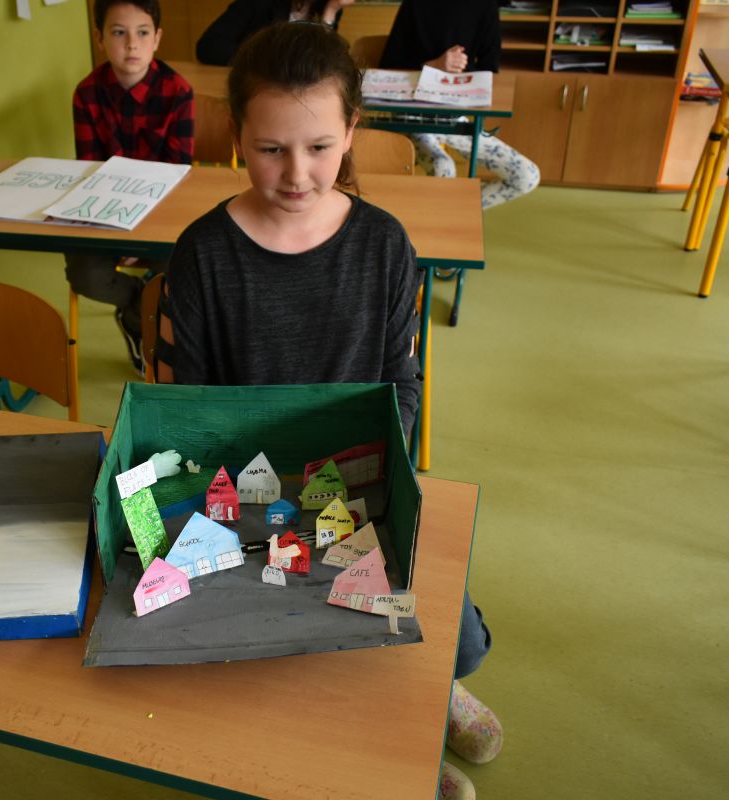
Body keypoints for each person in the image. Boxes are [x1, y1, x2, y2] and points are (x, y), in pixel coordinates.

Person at [166, 22, 499, 798]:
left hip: (358, 486)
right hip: (249, 496)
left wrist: (368, 484)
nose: (296, 173)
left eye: (319, 147)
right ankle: (366, 748)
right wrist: (242, 510)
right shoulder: (203, 253)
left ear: (351, 130)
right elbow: (190, 406)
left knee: (455, 638)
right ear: (237, 137)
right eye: (270, 148)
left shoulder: (384, 245)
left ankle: (426, 702)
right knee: (272, 640)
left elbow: (402, 385)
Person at [68, 0, 193, 374]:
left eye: (142, 33)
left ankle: (139, 319)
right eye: (118, 33)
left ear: (157, 38)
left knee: (181, 274)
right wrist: (120, 234)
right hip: (106, 214)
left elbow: (177, 175)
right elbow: (92, 172)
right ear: (99, 38)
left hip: (161, 213)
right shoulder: (86, 93)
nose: (131, 44)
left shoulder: (178, 91)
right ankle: (140, 304)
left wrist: (140, 236)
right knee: (84, 275)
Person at [379, 0, 539, 210]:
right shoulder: (415, 4)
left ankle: (454, 213)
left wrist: (458, 72)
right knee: (443, 168)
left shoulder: (485, 6)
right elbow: (388, 65)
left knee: (526, 176)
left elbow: (490, 70)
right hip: (412, 116)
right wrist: (432, 66)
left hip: (455, 117)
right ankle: (442, 220)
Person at [195, 0, 355, 66]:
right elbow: (208, 46)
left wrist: (332, 10)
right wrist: (267, 60)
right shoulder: (257, 2)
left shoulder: (326, 5)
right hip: (257, 86)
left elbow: (321, 59)